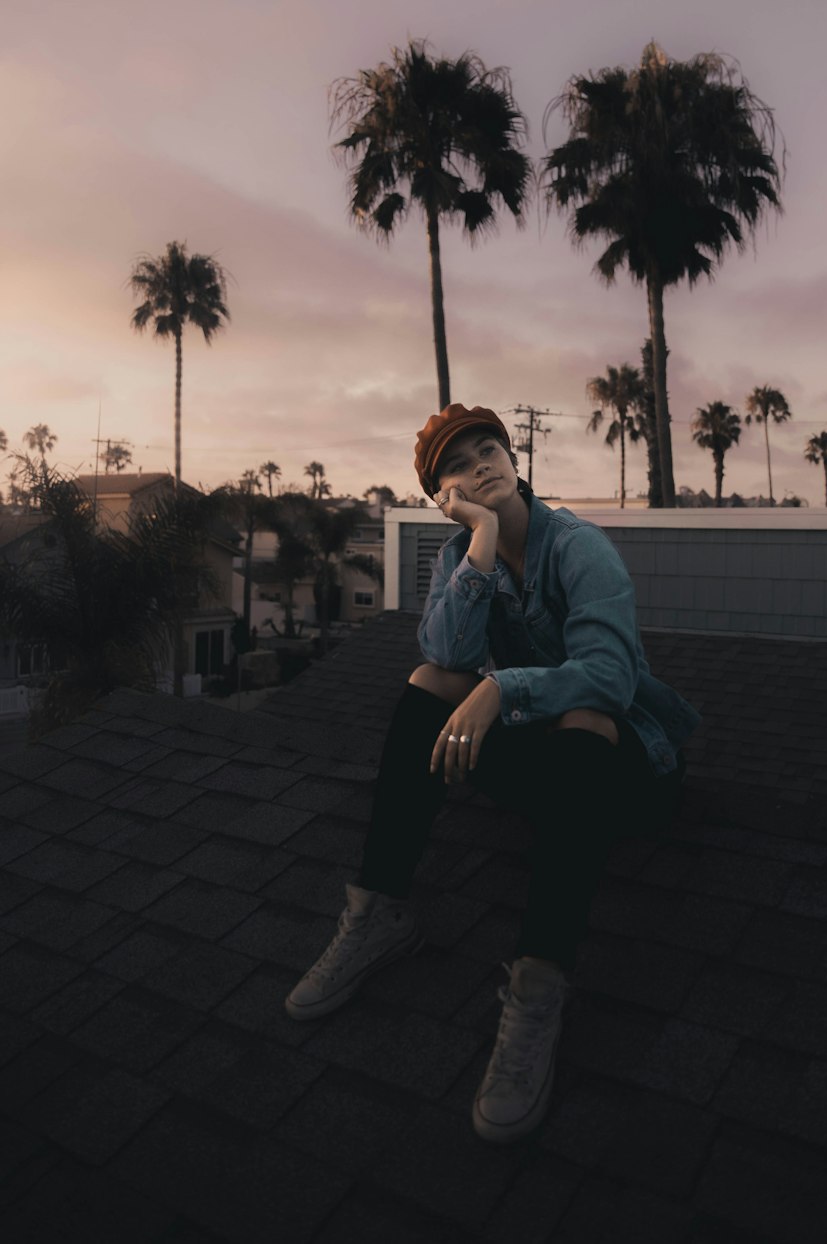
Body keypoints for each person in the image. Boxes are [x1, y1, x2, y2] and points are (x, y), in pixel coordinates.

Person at [285, 403, 700, 1143]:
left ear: (512, 459)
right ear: (443, 496)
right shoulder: (458, 557)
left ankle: (538, 984)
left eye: (490, 448)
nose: (482, 463)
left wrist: (506, 687)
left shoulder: (578, 547)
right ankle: (380, 911)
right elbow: (445, 654)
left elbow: (607, 677)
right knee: (429, 682)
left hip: (622, 767)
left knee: (586, 716)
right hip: (544, 769)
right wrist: (478, 539)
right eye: (459, 463)